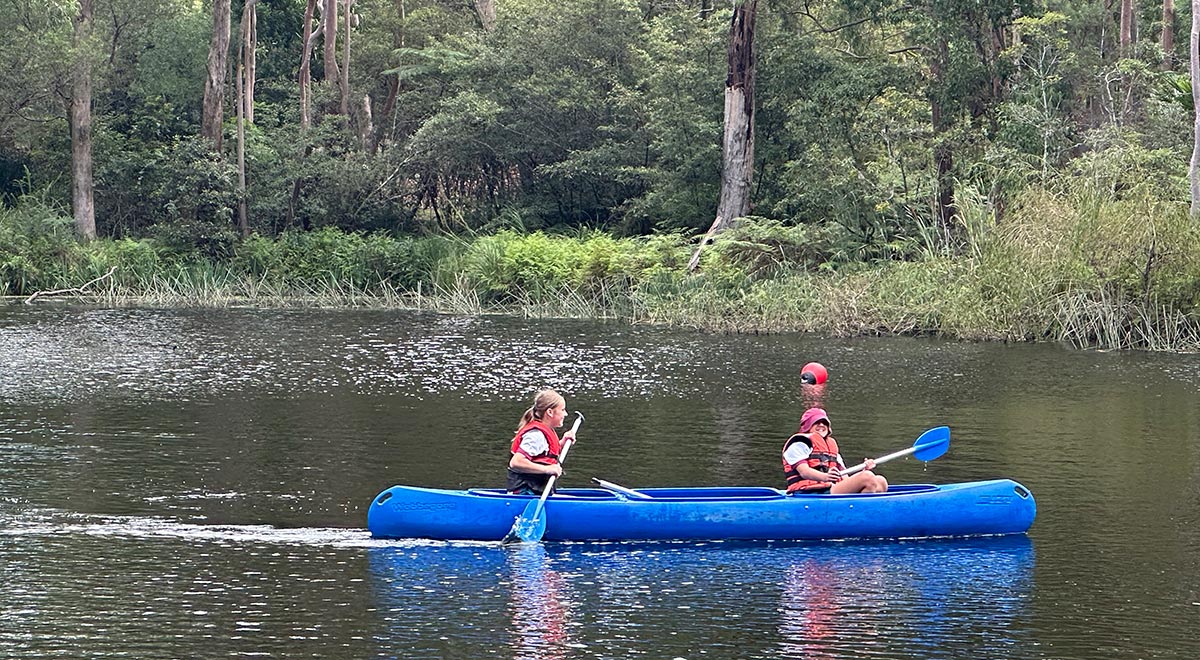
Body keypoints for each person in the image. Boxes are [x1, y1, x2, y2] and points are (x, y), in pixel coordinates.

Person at [782, 407, 887, 494]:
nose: (821, 425)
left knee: (880, 481)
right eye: (816, 422)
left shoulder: (832, 448)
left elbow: (845, 479)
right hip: (808, 493)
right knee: (867, 478)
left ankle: (863, 512)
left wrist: (865, 470)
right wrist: (826, 476)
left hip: (828, 489)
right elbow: (804, 472)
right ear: (807, 426)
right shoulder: (799, 443)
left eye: (824, 423)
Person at [507, 389, 577, 495]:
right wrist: (547, 469)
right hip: (525, 493)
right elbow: (516, 462)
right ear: (550, 412)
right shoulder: (536, 435)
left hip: (537, 491)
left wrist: (563, 442)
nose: (566, 414)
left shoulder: (543, 433)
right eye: (562, 410)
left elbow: (544, 454)